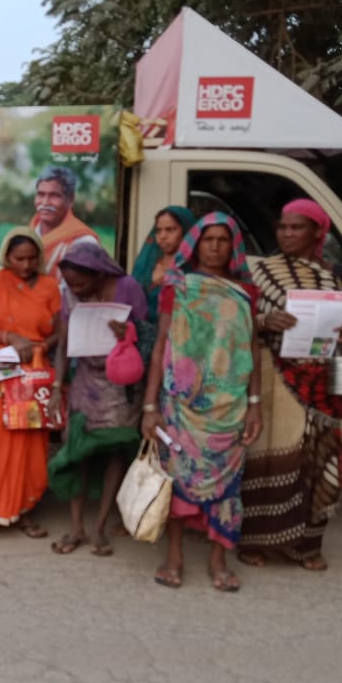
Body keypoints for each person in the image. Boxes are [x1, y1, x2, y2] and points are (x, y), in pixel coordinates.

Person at [141, 213, 262, 592]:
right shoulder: (177, 285)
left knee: (229, 486)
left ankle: (217, 559)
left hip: (230, 406)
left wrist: (256, 404)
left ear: (233, 247)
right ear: (195, 243)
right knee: (177, 478)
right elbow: (162, 345)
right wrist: (149, 406)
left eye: (222, 240)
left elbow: (252, 349)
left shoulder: (245, 292)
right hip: (180, 404)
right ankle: (174, 555)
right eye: (207, 238)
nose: (214, 246)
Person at [239, 199, 342, 570]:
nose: (287, 234)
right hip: (276, 378)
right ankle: (254, 542)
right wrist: (262, 321)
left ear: (317, 232)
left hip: (324, 384)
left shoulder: (336, 275)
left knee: (317, 460)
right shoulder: (259, 273)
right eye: (283, 227)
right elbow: (234, 318)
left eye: (297, 227)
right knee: (269, 460)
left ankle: (306, 546)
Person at [47, 241, 148, 557]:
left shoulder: (128, 287)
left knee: (115, 451)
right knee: (78, 450)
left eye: (81, 283)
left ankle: (100, 527)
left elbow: (150, 334)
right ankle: (76, 525)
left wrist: (128, 332)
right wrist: (55, 388)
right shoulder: (70, 293)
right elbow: (64, 344)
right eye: (71, 284)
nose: (76, 289)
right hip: (85, 383)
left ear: (99, 273)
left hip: (121, 386)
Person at [0, 226, 62, 536]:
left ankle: (24, 510)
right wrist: (8, 337)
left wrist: (43, 346)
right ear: (6, 256)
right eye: (19, 259)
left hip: (33, 374)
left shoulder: (49, 286)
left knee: (30, 447)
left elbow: (60, 331)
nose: (25, 265)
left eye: (32, 259)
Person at [130, 205, 196, 354]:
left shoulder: (191, 271)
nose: (162, 236)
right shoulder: (146, 264)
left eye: (170, 230)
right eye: (158, 230)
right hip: (141, 342)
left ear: (186, 232)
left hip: (178, 346)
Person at [31, 166, 99, 273]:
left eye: (54, 196)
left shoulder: (83, 242)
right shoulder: (28, 233)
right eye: (41, 194)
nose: (45, 203)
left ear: (70, 199)